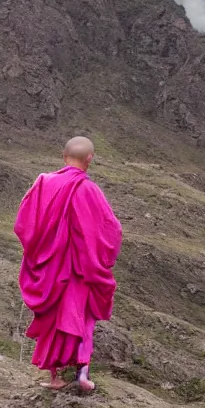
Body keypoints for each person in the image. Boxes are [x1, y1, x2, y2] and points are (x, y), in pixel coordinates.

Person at [14, 136, 123, 393]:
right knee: (80, 318)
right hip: (78, 269)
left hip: (51, 268)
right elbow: (111, 229)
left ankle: (55, 377)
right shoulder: (89, 190)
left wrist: (39, 251)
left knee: (53, 318)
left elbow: (24, 223)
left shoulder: (43, 183)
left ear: (64, 157)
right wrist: (99, 256)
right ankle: (82, 374)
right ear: (89, 159)